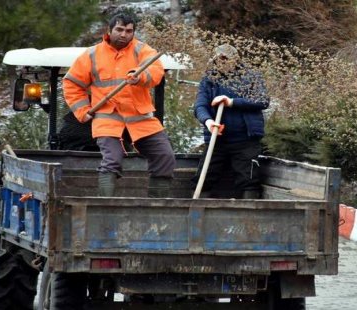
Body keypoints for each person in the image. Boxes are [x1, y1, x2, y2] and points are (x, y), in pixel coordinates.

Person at [63, 13, 175, 197]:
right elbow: (71, 83)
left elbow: (155, 71)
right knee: (112, 160)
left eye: (129, 31)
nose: (124, 34)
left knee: (165, 156)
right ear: (109, 30)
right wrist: (83, 110)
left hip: (141, 119)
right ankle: (104, 207)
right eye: (119, 30)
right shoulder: (91, 55)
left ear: (133, 33)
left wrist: (140, 76)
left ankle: (156, 208)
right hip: (108, 119)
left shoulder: (143, 50)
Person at [192, 44, 270, 199]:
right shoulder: (209, 79)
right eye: (219, 60)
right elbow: (200, 105)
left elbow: (262, 100)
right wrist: (208, 122)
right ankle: (197, 216)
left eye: (226, 59)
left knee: (249, 180)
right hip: (217, 139)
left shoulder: (250, 76)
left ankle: (249, 218)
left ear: (235, 60)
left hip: (245, 140)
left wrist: (231, 102)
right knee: (204, 178)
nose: (223, 63)